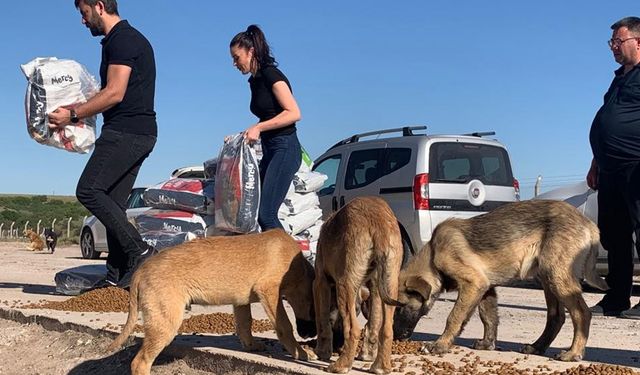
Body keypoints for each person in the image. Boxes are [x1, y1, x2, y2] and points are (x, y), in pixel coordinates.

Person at [49, 0, 157, 289]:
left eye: (84, 14)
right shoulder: (122, 40)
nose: (83, 21)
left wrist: (72, 115)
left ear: (98, 6)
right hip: (138, 132)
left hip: (126, 132)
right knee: (113, 202)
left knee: (89, 190)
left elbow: (114, 93)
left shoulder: (122, 40)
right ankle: (118, 276)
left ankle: (142, 251)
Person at [588, 16, 640, 319]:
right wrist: (595, 162)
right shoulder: (619, 77)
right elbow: (608, 122)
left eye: (618, 42)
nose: (613, 48)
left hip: (637, 167)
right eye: (612, 43)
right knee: (614, 235)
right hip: (609, 169)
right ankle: (617, 298)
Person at [230, 25, 302, 231]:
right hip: (271, 149)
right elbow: (267, 117)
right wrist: (239, 137)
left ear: (250, 51)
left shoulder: (271, 75)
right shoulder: (255, 80)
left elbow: (294, 112)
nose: (235, 63)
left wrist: (259, 127)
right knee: (252, 210)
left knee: (266, 215)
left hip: (285, 148)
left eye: (237, 57)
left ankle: (292, 262)